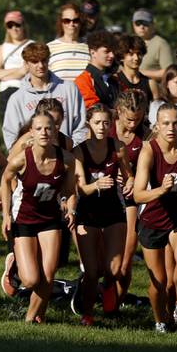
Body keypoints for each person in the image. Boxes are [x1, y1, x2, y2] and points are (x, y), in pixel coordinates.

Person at [133, 103, 177, 334]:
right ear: (157, 125)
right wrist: (161, 190)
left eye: (176, 123)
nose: (171, 128)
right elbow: (137, 194)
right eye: (166, 123)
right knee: (160, 282)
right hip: (152, 219)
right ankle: (160, 321)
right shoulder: (149, 150)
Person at [0, 112, 77, 323]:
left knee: (48, 274)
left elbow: (70, 191)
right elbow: (5, 180)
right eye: (39, 128)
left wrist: (70, 209)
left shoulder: (67, 160)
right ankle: (15, 263)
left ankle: (31, 319)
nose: (44, 132)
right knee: (31, 279)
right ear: (31, 132)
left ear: (55, 131)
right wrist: (6, 215)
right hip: (24, 220)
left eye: (48, 128)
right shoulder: (21, 159)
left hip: (50, 220)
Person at [71, 103, 133, 324]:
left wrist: (129, 183)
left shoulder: (118, 147)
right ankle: (87, 313)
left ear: (111, 124)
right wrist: (97, 184)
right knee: (91, 271)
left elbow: (129, 175)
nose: (102, 127)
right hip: (88, 213)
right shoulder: (79, 151)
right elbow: (79, 188)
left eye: (106, 122)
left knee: (113, 268)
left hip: (113, 211)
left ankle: (108, 302)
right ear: (89, 123)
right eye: (97, 122)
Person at [3, 43, 87, 150]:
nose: (41, 65)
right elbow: (11, 137)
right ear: (26, 64)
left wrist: (72, 152)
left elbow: (81, 126)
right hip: (32, 161)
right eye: (35, 62)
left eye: (44, 60)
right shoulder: (17, 99)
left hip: (68, 157)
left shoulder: (69, 88)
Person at [111, 90, 149, 304]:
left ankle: (114, 304)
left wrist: (134, 177)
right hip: (103, 198)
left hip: (131, 199)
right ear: (119, 112)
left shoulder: (146, 136)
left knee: (125, 263)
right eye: (129, 119)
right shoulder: (105, 129)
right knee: (105, 262)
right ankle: (102, 297)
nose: (133, 123)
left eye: (138, 118)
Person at [0, 10, 34, 116]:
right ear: (7, 29)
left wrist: (6, 75)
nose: (14, 28)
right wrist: (18, 71)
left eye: (17, 24)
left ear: (23, 25)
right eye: (10, 25)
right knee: (9, 130)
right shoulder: (2, 47)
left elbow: (30, 69)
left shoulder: (32, 45)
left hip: (27, 91)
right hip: (7, 92)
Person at [75, 30, 120, 109]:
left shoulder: (114, 80)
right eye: (107, 51)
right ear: (93, 53)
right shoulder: (83, 80)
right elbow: (93, 110)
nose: (112, 55)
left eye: (113, 51)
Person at [47, 3, 90, 83]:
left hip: (85, 95)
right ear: (61, 23)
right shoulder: (49, 47)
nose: (71, 24)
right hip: (58, 94)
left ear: (81, 22)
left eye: (76, 20)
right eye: (67, 21)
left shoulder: (90, 47)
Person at [133, 9, 174, 82]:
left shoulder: (161, 43)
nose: (142, 26)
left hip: (154, 90)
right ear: (133, 25)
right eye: (138, 23)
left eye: (145, 23)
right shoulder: (129, 42)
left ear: (152, 25)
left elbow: (169, 72)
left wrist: (140, 73)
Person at [112, 34, 153, 101]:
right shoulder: (114, 81)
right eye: (131, 54)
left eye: (139, 53)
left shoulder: (151, 83)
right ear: (121, 57)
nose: (136, 58)